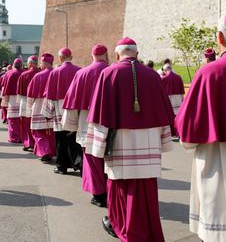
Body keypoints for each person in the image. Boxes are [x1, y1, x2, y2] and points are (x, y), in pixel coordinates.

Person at [85, 37, 175, 242]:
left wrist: (97, 146)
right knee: (146, 190)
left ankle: (126, 229)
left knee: (119, 188)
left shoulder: (108, 74)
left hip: (120, 144)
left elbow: (100, 113)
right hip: (149, 142)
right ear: (137, 53)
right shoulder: (153, 76)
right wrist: (164, 141)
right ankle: (148, 233)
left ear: (117, 55)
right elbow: (164, 112)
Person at [175, 10, 226, 242]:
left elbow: (187, 126)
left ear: (220, 38)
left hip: (218, 157)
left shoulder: (209, 72)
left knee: (222, 229)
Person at [62, 44, 109, 206]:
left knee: (91, 159)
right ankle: (112, 192)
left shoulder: (82, 73)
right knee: (109, 158)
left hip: (86, 122)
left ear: (91, 57)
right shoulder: (114, 71)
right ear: (107, 56)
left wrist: (70, 126)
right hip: (110, 122)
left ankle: (99, 195)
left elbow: (72, 102)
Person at [41, 47, 81, 174]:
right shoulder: (79, 71)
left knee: (61, 140)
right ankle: (78, 164)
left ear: (60, 58)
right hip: (76, 110)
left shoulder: (55, 72)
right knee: (76, 140)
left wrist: (47, 113)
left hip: (59, 110)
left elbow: (49, 95)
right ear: (71, 57)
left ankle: (61, 166)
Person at [27, 53, 56, 162]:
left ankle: (45, 151)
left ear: (43, 63)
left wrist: (30, 108)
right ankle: (52, 151)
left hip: (39, 106)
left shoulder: (38, 76)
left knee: (37, 131)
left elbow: (30, 95)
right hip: (54, 107)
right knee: (51, 132)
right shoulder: (56, 73)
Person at [16, 55, 40, 151]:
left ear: (29, 63)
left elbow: (20, 92)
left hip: (26, 101)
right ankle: (36, 144)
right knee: (37, 125)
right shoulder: (41, 73)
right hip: (38, 102)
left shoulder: (24, 75)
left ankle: (28, 143)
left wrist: (19, 103)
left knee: (25, 123)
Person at [1, 58, 23, 143]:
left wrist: (5, 99)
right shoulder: (24, 73)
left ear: (14, 65)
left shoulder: (9, 73)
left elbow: (5, 86)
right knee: (21, 119)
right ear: (21, 65)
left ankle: (13, 137)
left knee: (12, 119)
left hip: (12, 99)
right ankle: (21, 137)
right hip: (22, 98)